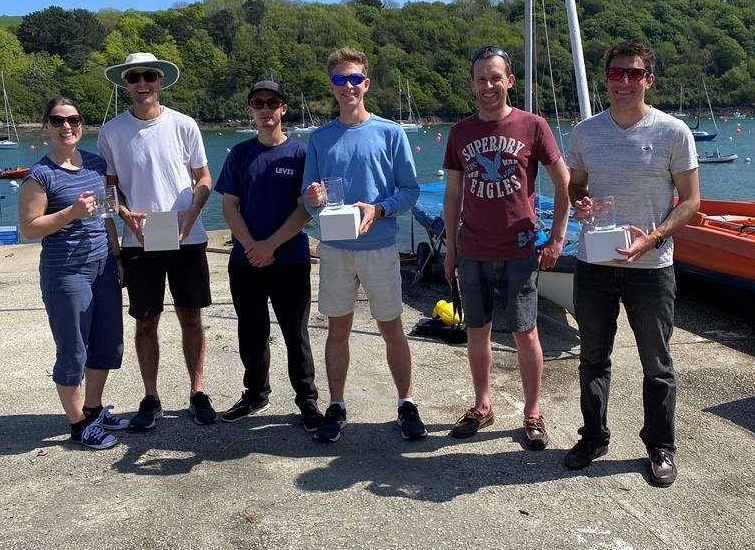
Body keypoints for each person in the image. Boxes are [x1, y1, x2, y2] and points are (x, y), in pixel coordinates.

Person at [566, 40, 699, 487]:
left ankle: (660, 447)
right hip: (595, 262)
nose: (624, 82)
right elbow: (576, 188)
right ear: (605, 78)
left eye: (634, 74)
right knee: (592, 356)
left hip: (653, 266)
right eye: (616, 73)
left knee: (657, 363)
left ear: (648, 80)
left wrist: (655, 237)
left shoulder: (672, 132)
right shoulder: (585, 132)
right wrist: (579, 205)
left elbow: (691, 201)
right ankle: (594, 436)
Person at [443, 45, 570, 445]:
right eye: (481, 78)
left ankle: (533, 413)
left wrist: (557, 238)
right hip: (473, 249)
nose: (488, 85)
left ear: (509, 81)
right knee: (476, 332)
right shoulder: (460, 132)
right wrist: (450, 248)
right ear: (472, 84)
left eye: (495, 77)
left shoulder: (533, 126)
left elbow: (563, 183)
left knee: (525, 333)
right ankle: (483, 405)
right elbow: (452, 193)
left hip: (519, 249)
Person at [303, 46, 425, 444]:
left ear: (366, 84)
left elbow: (409, 191)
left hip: (379, 246)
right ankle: (336, 406)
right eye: (340, 79)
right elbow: (308, 200)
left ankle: (406, 402)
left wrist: (379, 208)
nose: (348, 86)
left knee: (391, 327)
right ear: (331, 86)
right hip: (336, 247)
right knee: (337, 328)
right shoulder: (319, 139)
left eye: (355, 78)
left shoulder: (390, 133)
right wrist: (315, 199)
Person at [98, 52, 217, 430]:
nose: (142, 83)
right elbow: (109, 190)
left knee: (190, 316)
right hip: (139, 241)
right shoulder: (111, 131)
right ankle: (151, 397)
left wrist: (194, 210)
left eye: (149, 76)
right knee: (146, 320)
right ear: (126, 84)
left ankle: (197, 392)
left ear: (161, 81)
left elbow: (204, 177)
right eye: (134, 78)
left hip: (187, 237)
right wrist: (124, 215)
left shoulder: (184, 125)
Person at [19, 97, 127, 449]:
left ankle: (93, 409)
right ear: (46, 126)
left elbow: (108, 214)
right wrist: (71, 213)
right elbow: (30, 228)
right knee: (73, 350)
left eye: (74, 119)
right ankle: (78, 425)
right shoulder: (40, 175)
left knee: (108, 344)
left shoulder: (97, 164)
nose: (67, 126)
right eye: (58, 120)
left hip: (103, 265)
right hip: (65, 271)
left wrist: (117, 255)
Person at [215, 78, 322, 431]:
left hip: (289, 258)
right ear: (250, 110)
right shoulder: (240, 154)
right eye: (258, 103)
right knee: (252, 330)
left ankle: (307, 400)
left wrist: (270, 245)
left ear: (283, 109)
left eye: (271, 103)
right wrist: (251, 246)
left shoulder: (300, 154)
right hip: (246, 261)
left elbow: (304, 209)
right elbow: (229, 205)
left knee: (296, 332)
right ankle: (255, 393)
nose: (265, 109)